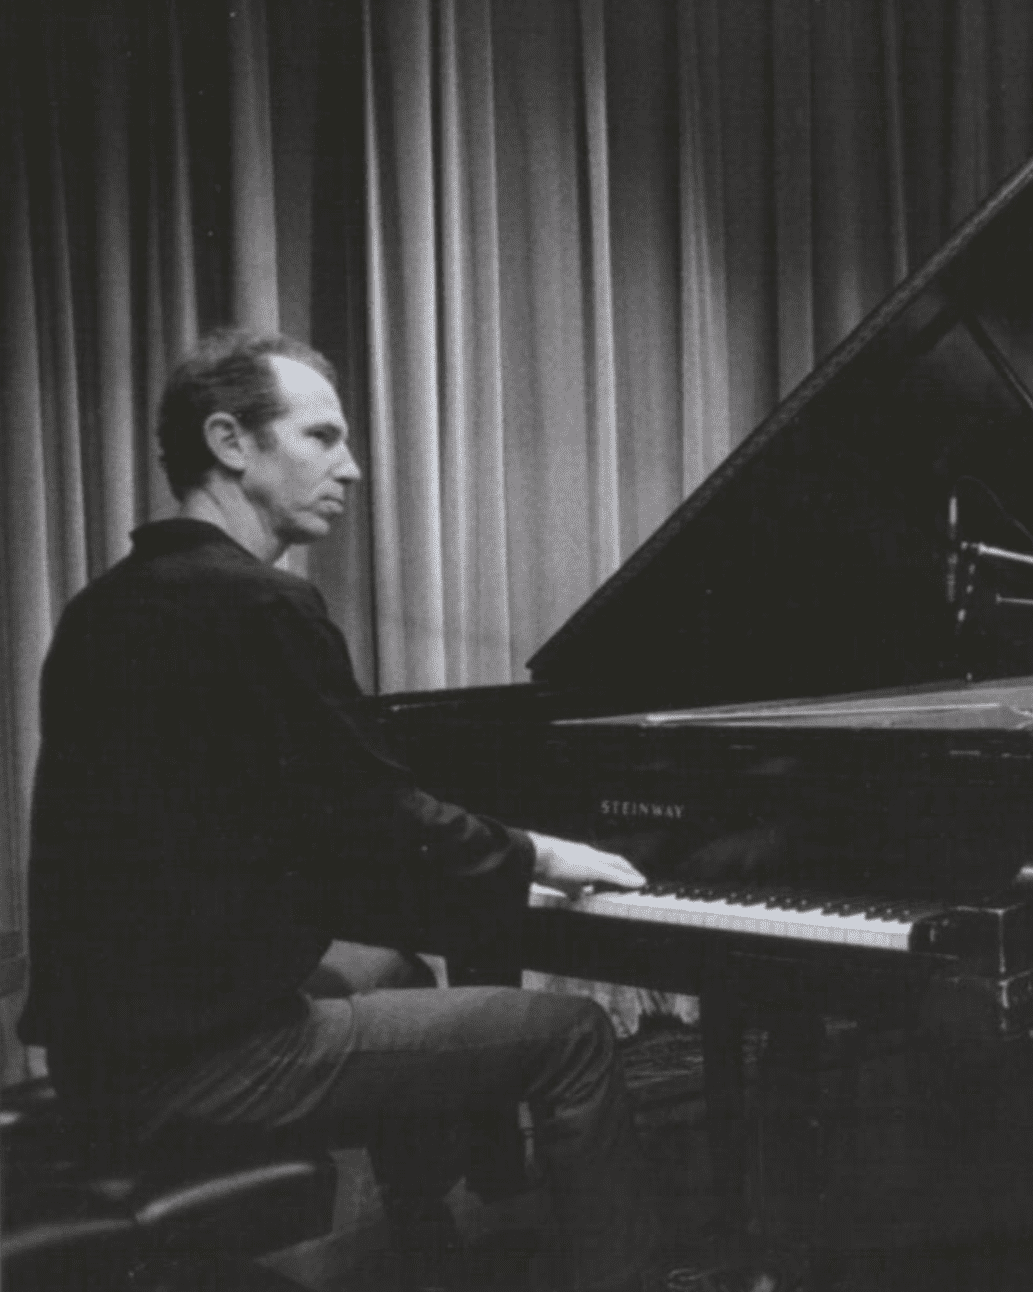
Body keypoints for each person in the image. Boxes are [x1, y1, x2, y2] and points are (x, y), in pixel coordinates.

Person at [17, 330, 775, 1292]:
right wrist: (539, 852)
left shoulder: (108, 606)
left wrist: (454, 874)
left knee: (395, 966)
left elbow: (276, 829)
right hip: (207, 1059)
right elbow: (376, 815)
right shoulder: (259, 605)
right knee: (574, 1035)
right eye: (322, 437)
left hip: (106, 1046)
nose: (353, 467)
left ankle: (430, 1254)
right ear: (230, 441)